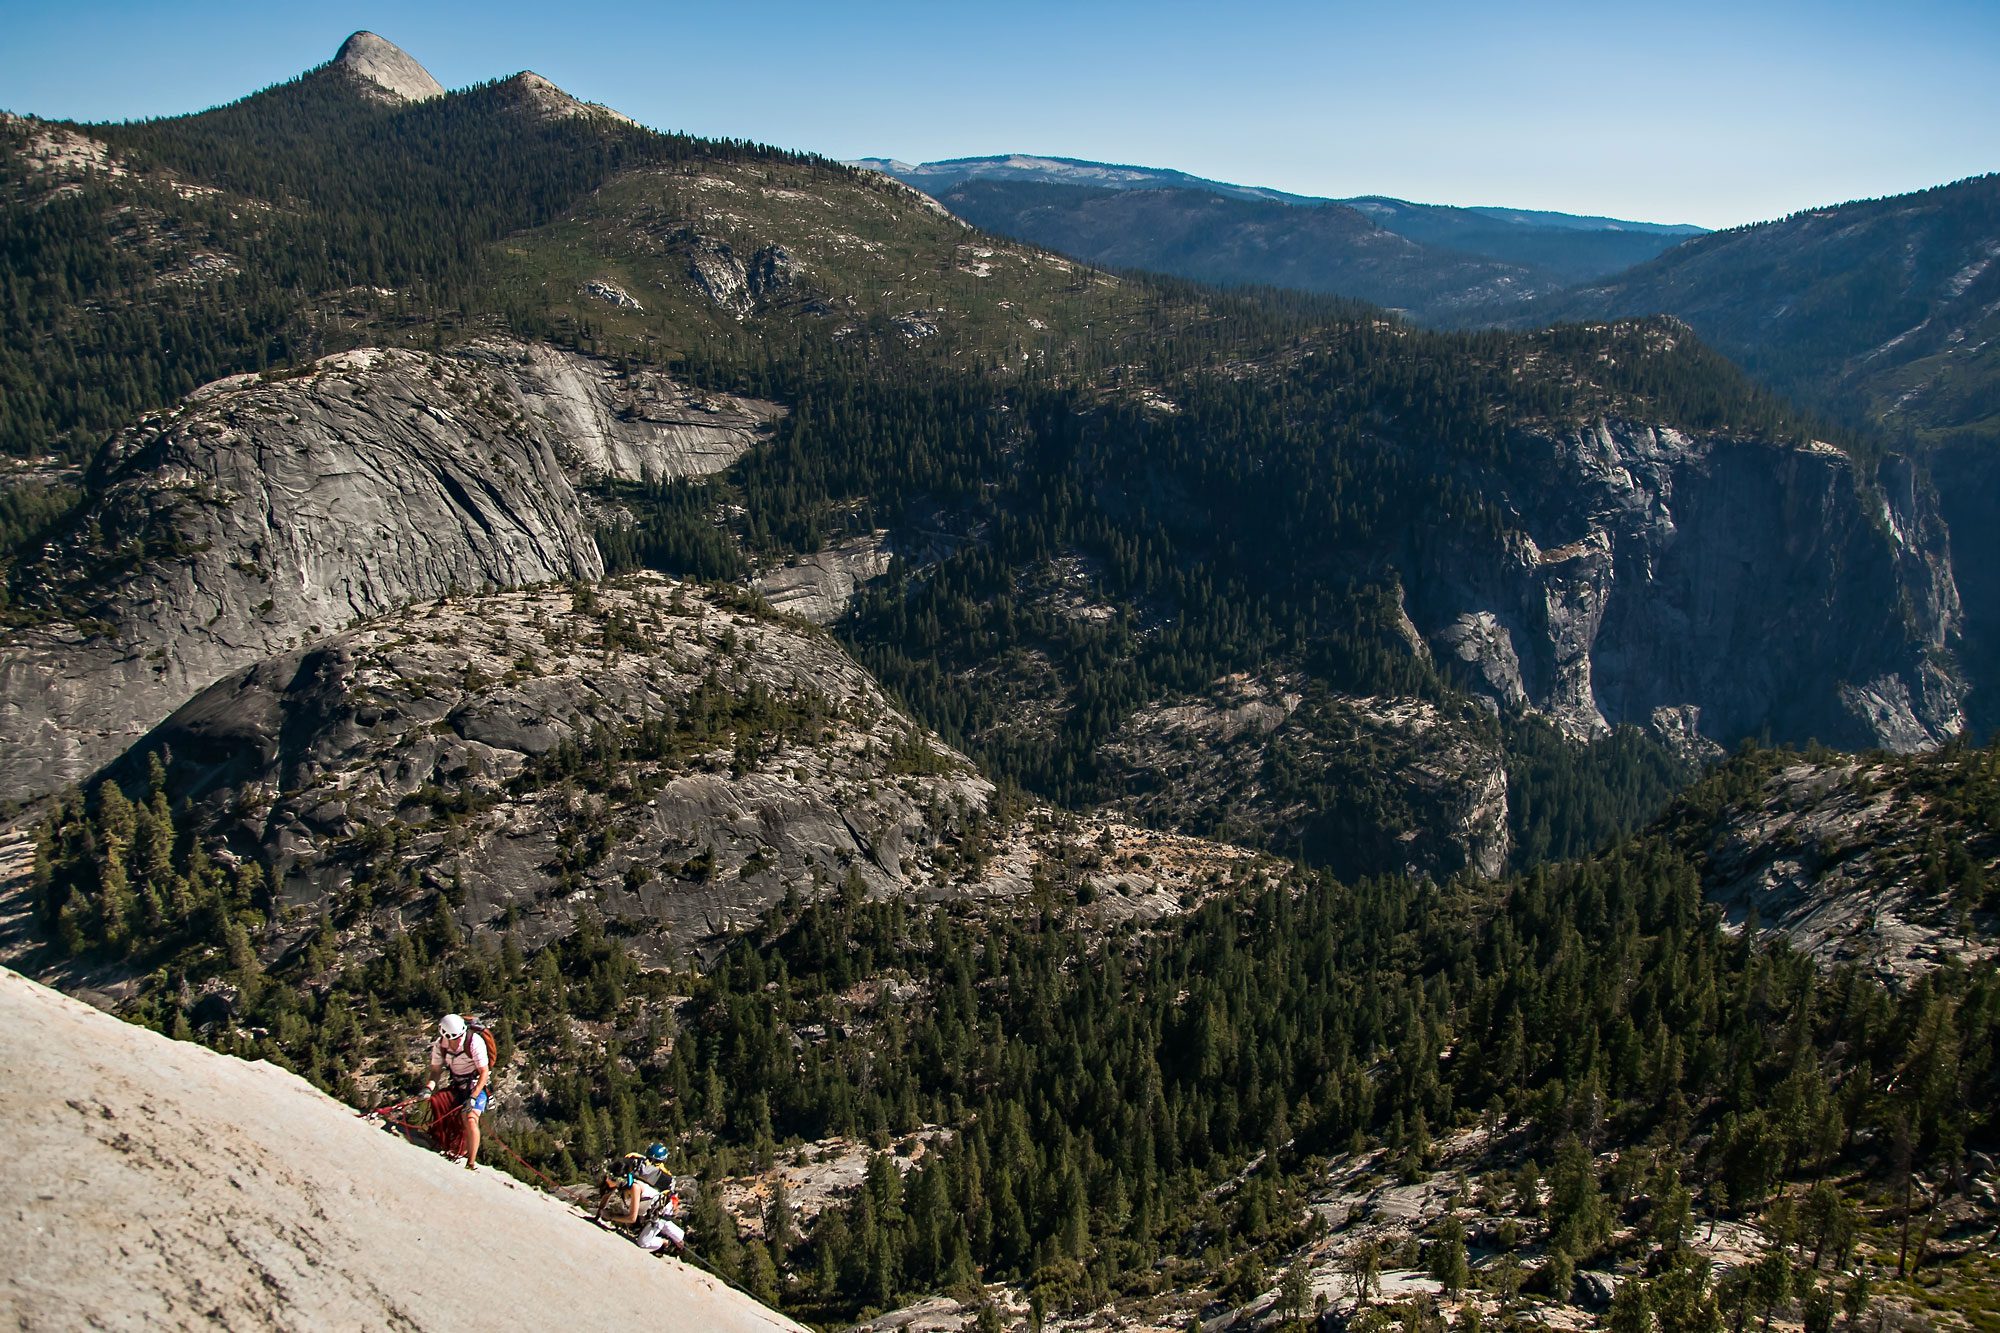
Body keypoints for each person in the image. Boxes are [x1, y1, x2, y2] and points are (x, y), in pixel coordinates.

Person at [425, 1013, 490, 1170]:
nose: (459, 1039)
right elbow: (435, 1071)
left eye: (460, 1036)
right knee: (437, 1102)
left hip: (476, 1087)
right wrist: (428, 1089)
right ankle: (447, 1144)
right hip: (458, 1086)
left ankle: (471, 1162)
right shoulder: (441, 1045)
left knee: (470, 1119)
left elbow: (484, 1073)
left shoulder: (474, 1042)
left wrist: (473, 1097)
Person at [600, 1143, 685, 1254]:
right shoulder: (660, 1175)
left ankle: (666, 1243)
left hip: (658, 1208)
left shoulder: (634, 1165)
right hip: (657, 1204)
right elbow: (608, 1191)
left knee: (643, 1242)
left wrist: (610, 1216)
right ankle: (679, 1237)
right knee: (662, 1221)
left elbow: (632, 1218)